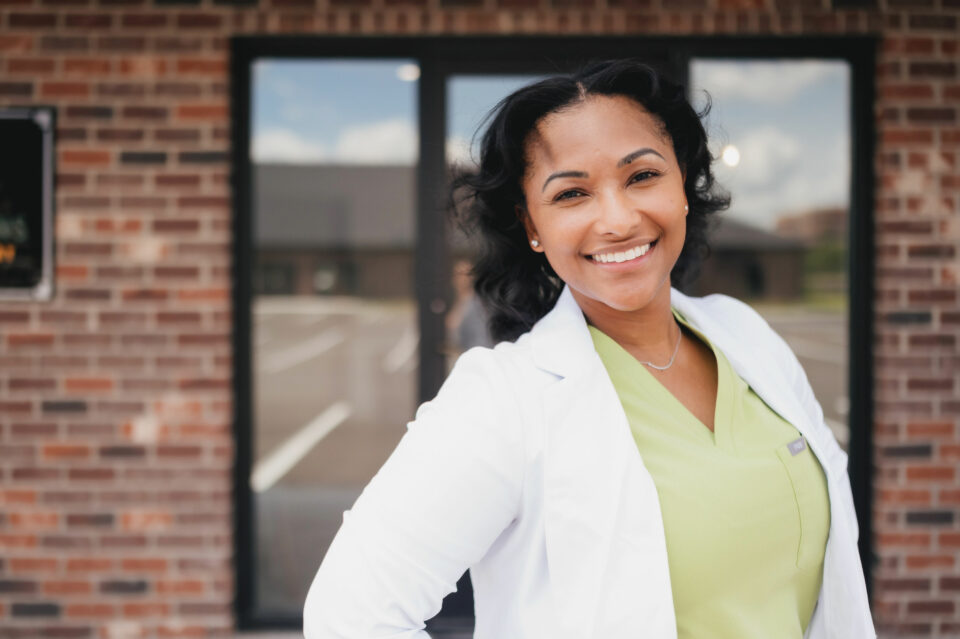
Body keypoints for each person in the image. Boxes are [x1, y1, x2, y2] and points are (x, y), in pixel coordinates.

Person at [303, 60, 875, 638]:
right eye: (572, 193)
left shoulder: (748, 337)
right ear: (532, 225)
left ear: (683, 184)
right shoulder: (506, 401)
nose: (619, 219)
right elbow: (350, 614)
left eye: (642, 176)